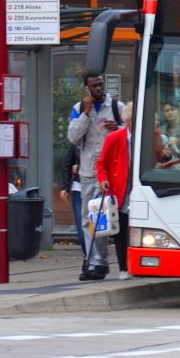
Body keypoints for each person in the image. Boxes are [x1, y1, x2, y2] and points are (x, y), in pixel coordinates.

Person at [67, 71, 125, 280]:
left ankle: (102, 262)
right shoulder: (80, 108)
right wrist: (86, 113)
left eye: (101, 85)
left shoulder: (118, 107)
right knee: (89, 217)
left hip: (112, 172)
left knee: (105, 217)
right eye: (94, 86)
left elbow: (132, 134)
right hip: (89, 172)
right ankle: (95, 262)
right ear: (87, 89)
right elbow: (73, 137)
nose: (99, 88)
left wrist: (118, 128)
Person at [96, 102, 134, 281]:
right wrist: (103, 179)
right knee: (121, 231)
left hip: (142, 190)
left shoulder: (153, 136)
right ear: (128, 121)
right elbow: (101, 164)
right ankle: (123, 268)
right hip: (121, 191)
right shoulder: (114, 138)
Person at [59, 143, 86, 258]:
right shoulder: (77, 143)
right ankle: (87, 256)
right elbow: (68, 164)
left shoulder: (99, 140)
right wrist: (65, 187)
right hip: (79, 187)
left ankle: (95, 256)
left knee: (96, 225)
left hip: (96, 188)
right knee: (81, 226)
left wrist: (80, 168)